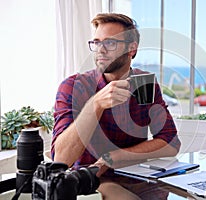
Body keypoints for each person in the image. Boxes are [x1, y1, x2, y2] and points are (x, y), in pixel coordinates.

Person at [51, 13, 181, 200]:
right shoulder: (74, 86)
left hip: (138, 174)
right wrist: (95, 104)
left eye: (110, 43)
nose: (100, 50)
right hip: (93, 178)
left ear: (132, 49)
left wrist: (115, 156)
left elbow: (171, 142)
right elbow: (61, 159)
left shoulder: (145, 84)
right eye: (96, 43)